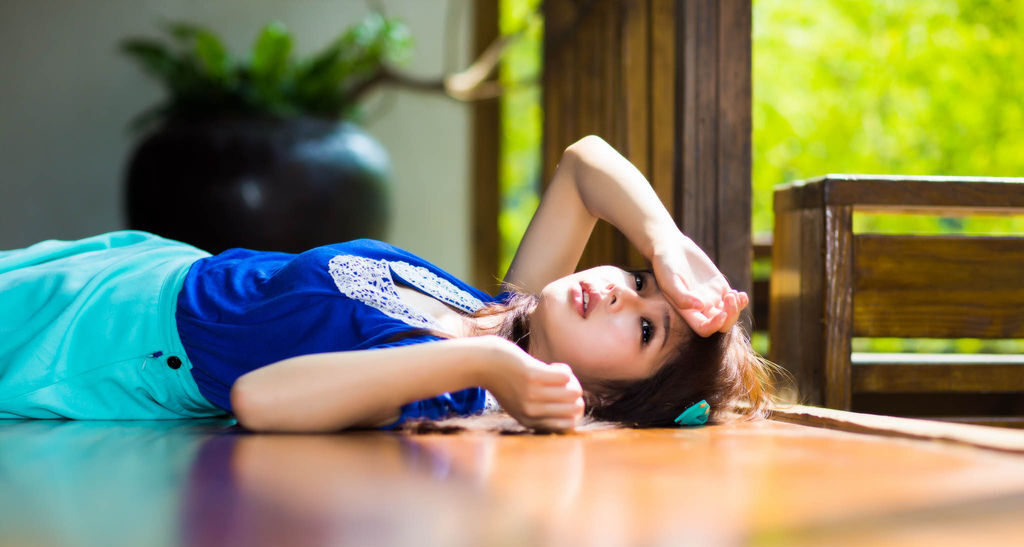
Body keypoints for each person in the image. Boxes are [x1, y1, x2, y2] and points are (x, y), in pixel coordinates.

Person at [0, 135, 773, 432]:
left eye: (646, 328)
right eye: (636, 280)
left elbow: (260, 399)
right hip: (143, 266)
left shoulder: (451, 389)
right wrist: (666, 246)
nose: (620, 292)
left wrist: (489, 365)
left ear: (604, 398)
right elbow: (583, 165)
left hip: (107, 341)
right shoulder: (493, 311)